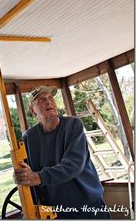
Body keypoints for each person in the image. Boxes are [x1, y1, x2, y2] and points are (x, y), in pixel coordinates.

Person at [13, 85, 111, 219]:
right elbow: (28, 176)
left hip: (88, 206)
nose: (48, 102)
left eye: (50, 98)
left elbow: (73, 165)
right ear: (33, 111)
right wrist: (23, 181)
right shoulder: (29, 138)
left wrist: (38, 177)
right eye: (41, 100)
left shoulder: (73, 125)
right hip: (56, 212)